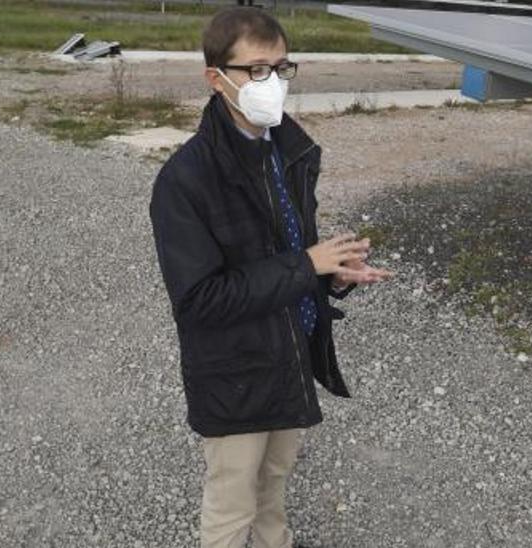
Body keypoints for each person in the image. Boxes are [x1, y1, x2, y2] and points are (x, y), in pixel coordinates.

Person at [148, 8, 394, 547]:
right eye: (257, 71)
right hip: (234, 372)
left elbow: (291, 253)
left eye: (282, 69)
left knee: (275, 485)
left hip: (290, 355)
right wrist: (307, 264)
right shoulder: (185, 180)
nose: (273, 83)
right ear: (217, 79)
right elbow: (198, 301)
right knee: (232, 503)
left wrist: (332, 275)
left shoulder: (288, 152)